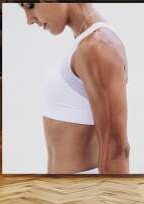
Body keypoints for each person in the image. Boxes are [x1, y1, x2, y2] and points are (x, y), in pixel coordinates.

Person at [20, 3, 129, 174]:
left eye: (31, 5)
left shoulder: (98, 46)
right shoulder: (85, 43)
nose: (29, 19)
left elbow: (116, 150)